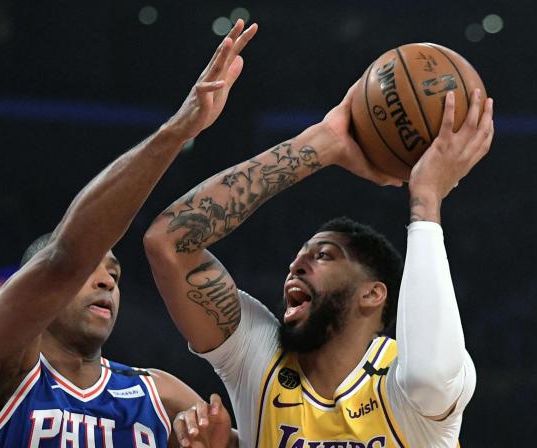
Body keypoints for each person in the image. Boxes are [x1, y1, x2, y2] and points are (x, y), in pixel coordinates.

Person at [0, 19, 257, 448]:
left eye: (115, 275)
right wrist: (179, 130)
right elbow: (65, 259)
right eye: (94, 268)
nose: (108, 281)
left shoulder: (160, 396)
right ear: (33, 290)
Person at [144, 82, 494, 447]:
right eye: (297, 258)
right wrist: (322, 142)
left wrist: (426, 201)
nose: (295, 265)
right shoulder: (261, 361)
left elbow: (430, 375)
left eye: (323, 255)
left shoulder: (402, 383)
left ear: (372, 294)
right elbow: (169, 242)